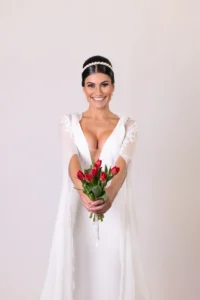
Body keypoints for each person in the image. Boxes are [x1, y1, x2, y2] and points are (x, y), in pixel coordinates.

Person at [40, 55, 150, 300]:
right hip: (79, 211)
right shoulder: (69, 122)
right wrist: (84, 196)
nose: (98, 91)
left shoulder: (128, 126)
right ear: (83, 88)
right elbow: (72, 162)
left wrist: (107, 198)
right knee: (79, 272)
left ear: (113, 87)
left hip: (114, 211)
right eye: (91, 85)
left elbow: (122, 166)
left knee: (113, 272)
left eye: (104, 84)